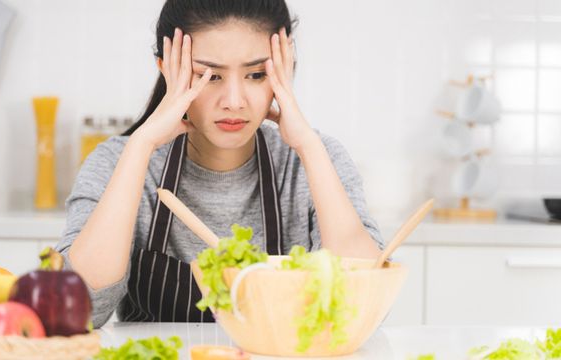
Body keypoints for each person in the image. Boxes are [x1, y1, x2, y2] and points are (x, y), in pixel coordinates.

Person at [56, 0, 384, 328]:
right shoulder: (119, 162)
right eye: (209, 76)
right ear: (167, 70)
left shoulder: (313, 162)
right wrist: (140, 146)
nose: (234, 101)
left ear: (284, 70)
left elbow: (363, 304)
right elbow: (78, 310)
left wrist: (309, 146)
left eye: (256, 74)